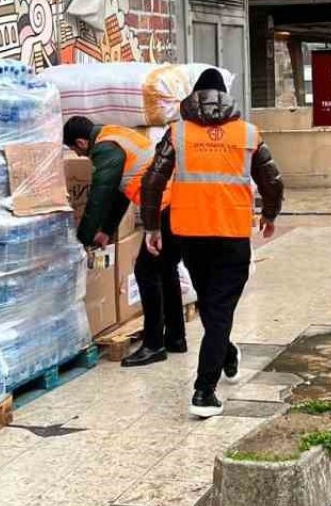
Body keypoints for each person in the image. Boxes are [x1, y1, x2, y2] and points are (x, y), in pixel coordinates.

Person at [139, 69, 284, 418]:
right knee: (219, 311)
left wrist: (152, 226)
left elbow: (152, 181)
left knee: (211, 305)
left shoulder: (178, 133)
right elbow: (272, 180)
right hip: (232, 235)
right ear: (225, 97)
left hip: (191, 236)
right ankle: (204, 391)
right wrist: (271, 215)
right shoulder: (248, 134)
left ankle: (227, 352)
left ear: (195, 97)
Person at [63, 116, 187, 367]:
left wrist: (82, 239)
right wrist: (106, 231)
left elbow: (100, 195)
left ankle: (154, 345)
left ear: (81, 142)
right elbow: (122, 190)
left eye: (77, 151)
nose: (80, 155)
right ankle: (175, 337)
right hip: (177, 203)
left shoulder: (105, 148)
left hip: (165, 205)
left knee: (146, 270)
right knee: (165, 269)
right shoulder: (115, 133)